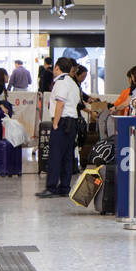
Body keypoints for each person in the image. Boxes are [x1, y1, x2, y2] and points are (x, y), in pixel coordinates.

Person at [36, 57, 81, 198]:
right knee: (67, 156)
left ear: (57, 68)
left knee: (55, 155)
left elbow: (60, 103)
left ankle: (51, 187)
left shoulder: (61, 82)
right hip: (72, 123)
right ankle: (64, 187)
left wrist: (55, 122)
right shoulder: (73, 83)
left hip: (62, 122)